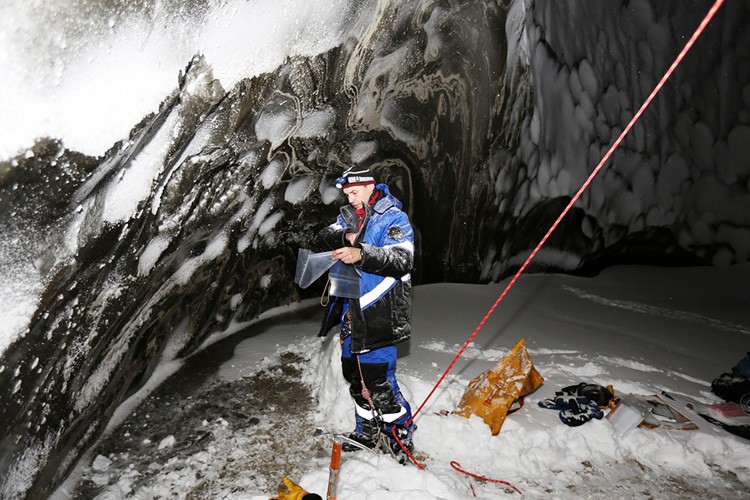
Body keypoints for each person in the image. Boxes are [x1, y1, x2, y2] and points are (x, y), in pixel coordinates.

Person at [312, 165, 415, 460]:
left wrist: (362, 252)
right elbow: (321, 239)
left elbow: (401, 260)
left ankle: (401, 436)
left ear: (371, 186)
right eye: (346, 193)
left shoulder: (393, 218)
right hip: (350, 314)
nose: (350, 198)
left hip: (378, 313)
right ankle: (367, 432)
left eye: (354, 192)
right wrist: (345, 237)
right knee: (355, 378)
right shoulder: (346, 216)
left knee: (379, 383)